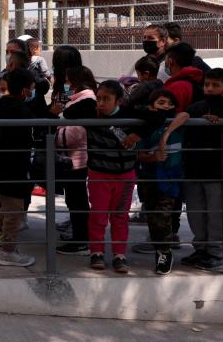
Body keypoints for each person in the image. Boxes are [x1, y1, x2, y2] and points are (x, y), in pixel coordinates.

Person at [160, 68, 223, 272]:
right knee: (196, 213)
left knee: (216, 214)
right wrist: (168, 133)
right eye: (206, 84)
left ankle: (216, 253)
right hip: (194, 170)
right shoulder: (197, 107)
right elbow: (185, 115)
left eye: (215, 85)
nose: (209, 88)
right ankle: (201, 248)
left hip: (217, 173)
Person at [0, 68, 37, 267]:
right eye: (32, 88)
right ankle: (8, 251)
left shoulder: (2, 105)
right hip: (13, 167)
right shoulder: (22, 111)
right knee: (14, 212)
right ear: (26, 90)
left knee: (8, 207)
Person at [86, 80, 141, 274]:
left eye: (106, 99)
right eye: (98, 99)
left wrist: (138, 134)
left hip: (125, 177)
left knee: (120, 217)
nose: (101, 103)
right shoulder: (90, 115)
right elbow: (67, 114)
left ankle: (119, 254)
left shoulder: (131, 117)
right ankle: (97, 253)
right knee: (98, 216)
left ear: (118, 100)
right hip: (99, 176)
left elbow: (156, 117)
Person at [135, 89, 183, 275]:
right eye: (161, 102)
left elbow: (185, 114)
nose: (166, 106)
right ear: (151, 105)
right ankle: (161, 249)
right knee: (154, 217)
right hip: (150, 178)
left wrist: (166, 134)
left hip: (171, 180)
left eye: (169, 103)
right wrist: (154, 157)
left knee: (164, 216)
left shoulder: (176, 123)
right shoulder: (146, 126)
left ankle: (164, 252)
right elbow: (140, 155)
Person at [55, 66, 97, 256]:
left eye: (68, 80)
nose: (66, 84)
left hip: (78, 157)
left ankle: (82, 240)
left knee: (77, 199)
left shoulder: (87, 100)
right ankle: (80, 237)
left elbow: (73, 125)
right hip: (72, 156)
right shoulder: (77, 100)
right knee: (74, 198)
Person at [163, 42, 204, 113]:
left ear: (170, 61)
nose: (164, 63)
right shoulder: (194, 79)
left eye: (165, 59)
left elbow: (172, 114)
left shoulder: (177, 86)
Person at [49, 45, 83, 116]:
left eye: (55, 61)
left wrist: (51, 113)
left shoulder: (73, 86)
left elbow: (65, 102)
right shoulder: (61, 82)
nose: (53, 65)